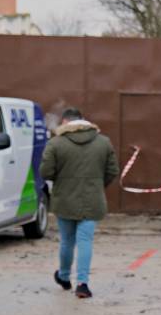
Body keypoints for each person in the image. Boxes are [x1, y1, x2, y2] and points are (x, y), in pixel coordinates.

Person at [39, 107, 119, 299]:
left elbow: (45, 172)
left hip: (64, 199)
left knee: (67, 241)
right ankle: (82, 284)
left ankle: (65, 277)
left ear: (65, 122)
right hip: (93, 200)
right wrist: (98, 185)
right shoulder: (103, 142)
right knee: (85, 241)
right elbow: (112, 170)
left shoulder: (56, 143)